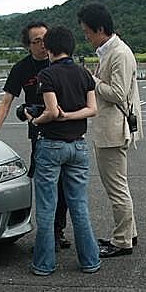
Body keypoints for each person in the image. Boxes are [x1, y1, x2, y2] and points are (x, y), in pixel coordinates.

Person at [0, 22, 71, 249]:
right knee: (46, 186)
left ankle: (57, 231)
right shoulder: (22, 68)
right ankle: (48, 235)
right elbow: (6, 101)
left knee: (64, 187)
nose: (43, 44)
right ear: (28, 46)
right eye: (37, 41)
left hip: (65, 131)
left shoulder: (61, 62)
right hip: (40, 134)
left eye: (45, 38)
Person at [25, 26, 100, 275]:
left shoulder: (47, 75)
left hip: (51, 146)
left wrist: (34, 120)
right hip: (78, 146)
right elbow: (92, 109)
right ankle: (90, 261)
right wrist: (70, 115)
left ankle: (44, 264)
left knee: (47, 207)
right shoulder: (84, 73)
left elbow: (52, 112)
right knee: (79, 204)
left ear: (49, 48)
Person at [77, 3, 143, 258]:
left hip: (114, 130)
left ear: (100, 29)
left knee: (116, 187)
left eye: (87, 32)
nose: (86, 37)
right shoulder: (110, 52)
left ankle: (122, 240)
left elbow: (118, 93)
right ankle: (128, 233)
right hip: (110, 128)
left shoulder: (119, 53)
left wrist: (91, 81)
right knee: (118, 184)